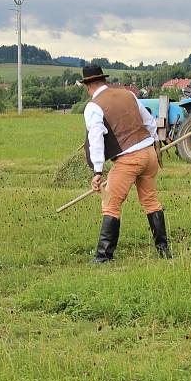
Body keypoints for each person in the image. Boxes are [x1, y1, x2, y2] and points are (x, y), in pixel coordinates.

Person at [81, 65, 171, 262]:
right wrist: (154, 144)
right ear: (103, 80)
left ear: (88, 85)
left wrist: (97, 170)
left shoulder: (93, 106)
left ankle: (103, 256)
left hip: (129, 159)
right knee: (150, 201)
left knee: (111, 203)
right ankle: (163, 250)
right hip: (149, 154)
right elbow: (149, 122)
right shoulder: (128, 95)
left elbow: (96, 137)